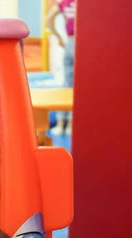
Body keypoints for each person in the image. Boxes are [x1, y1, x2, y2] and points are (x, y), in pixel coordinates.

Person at [47, 0, 76, 136]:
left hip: (70, 42)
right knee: (77, 87)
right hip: (82, 41)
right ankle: (70, 125)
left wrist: (59, 37)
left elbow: (48, 19)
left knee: (67, 84)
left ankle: (60, 124)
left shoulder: (63, 3)